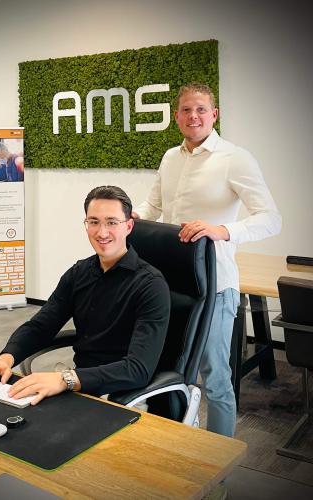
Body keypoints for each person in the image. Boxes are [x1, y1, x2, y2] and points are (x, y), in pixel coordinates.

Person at [133, 83, 282, 437]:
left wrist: (222, 230)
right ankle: (177, 443)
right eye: (186, 110)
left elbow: (271, 219)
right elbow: (153, 205)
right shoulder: (170, 158)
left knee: (215, 378)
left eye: (201, 109)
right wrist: (129, 219)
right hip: (169, 285)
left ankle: (220, 464)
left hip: (215, 286)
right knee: (169, 371)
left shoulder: (235, 158)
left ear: (214, 115)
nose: (193, 116)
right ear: (176, 116)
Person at [0, 185, 170, 404]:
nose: (102, 232)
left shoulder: (151, 285)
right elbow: (41, 326)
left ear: (129, 226)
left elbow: (137, 369)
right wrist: (5, 359)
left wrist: (66, 379)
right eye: (94, 222)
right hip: (80, 387)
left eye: (112, 222)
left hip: (126, 397)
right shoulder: (78, 273)